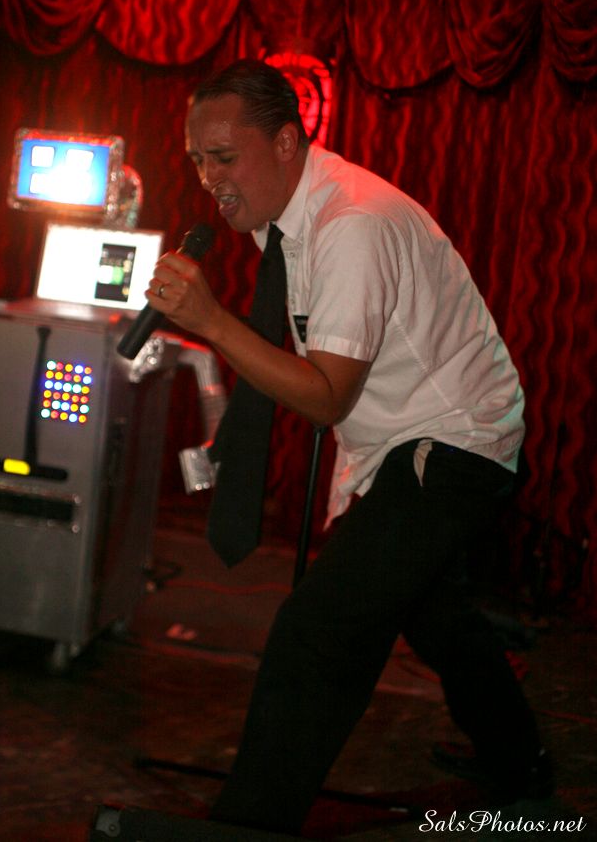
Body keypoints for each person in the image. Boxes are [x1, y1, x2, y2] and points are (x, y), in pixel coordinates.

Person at [146, 59, 550, 834]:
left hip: (455, 437)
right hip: (405, 437)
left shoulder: (352, 223)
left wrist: (213, 321)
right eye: (197, 159)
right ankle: (519, 764)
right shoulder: (285, 217)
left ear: (287, 141)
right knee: (431, 614)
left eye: (223, 157)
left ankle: (247, 826)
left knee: (321, 630)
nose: (208, 178)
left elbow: (328, 394)